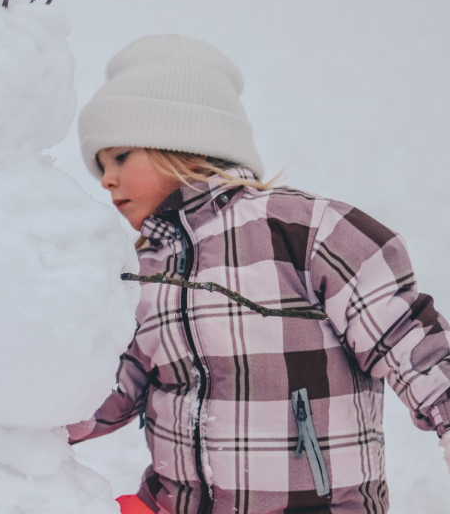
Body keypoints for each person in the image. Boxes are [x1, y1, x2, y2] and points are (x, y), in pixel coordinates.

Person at [69, 35, 450, 514]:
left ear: (182, 143)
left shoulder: (304, 230)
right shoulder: (140, 273)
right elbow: (101, 392)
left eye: (119, 156)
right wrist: (3, 416)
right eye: (100, 166)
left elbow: (404, 334)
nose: (105, 179)